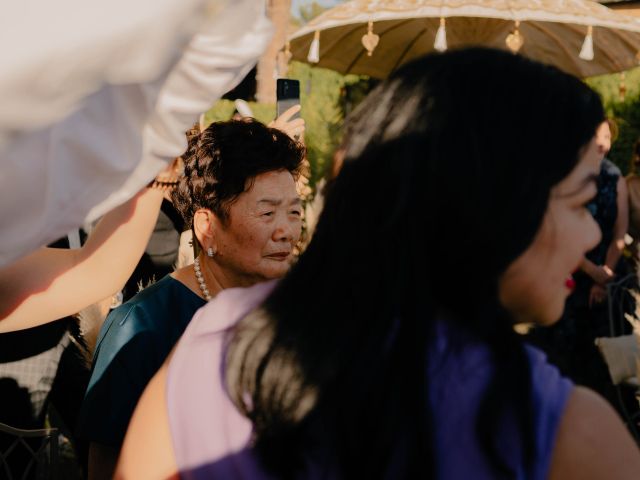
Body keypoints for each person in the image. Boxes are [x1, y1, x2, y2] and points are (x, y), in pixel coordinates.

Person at [118, 48, 640, 479]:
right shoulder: (562, 432)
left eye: (292, 210)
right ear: (494, 206)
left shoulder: (216, 339)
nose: (594, 232)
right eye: (578, 203)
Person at [78, 117, 305, 479]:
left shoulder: (294, 307)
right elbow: (107, 466)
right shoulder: (142, 325)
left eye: (294, 212)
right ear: (207, 227)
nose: (287, 231)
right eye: (267, 213)